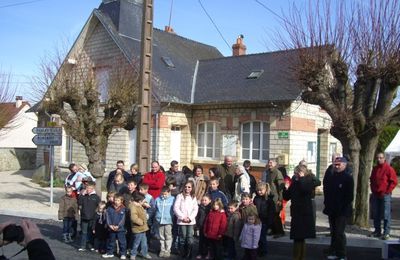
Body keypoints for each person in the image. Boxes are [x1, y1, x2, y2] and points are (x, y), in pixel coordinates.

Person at [323, 157, 354, 260]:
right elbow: (327, 192)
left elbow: (349, 196)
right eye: (335, 164)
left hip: (342, 210)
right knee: (333, 231)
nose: (336, 166)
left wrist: (342, 207)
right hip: (332, 209)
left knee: (339, 232)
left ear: (344, 165)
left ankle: (342, 254)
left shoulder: (348, 178)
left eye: (338, 164)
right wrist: (327, 204)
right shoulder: (331, 177)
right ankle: (334, 250)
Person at [283, 165, 316, 260]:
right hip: (296, 212)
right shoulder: (295, 183)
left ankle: (300, 257)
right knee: (298, 237)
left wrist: (301, 178)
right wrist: (286, 188)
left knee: (300, 237)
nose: (295, 175)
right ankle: (297, 257)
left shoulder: (308, 181)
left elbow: (305, 189)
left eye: (297, 173)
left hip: (304, 213)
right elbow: (286, 196)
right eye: (295, 173)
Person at [369, 152, 398, 240]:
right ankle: (377, 231)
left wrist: (387, 191)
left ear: (384, 158)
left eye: (381, 158)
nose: (379, 159)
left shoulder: (389, 169)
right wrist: (373, 190)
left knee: (386, 214)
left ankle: (386, 233)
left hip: (385, 195)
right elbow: (372, 180)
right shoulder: (375, 169)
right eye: (378, 158)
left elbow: (394, 181)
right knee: (376, 213)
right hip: (376, 194)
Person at [173, 180, 199, 259]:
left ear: (192, 188)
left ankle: (189, 253)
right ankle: (183, 253)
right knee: (182, 237)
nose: (187, 188)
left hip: (190, 221)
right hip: (182, 221)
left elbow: (195, 209)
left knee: (190, 238)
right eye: (186, 187)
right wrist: (182, 217)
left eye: (189, 187)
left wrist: (190, 218)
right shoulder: (180, 196)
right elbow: (176, 208)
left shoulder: (193, 197)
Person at [261, 159, 285, 237]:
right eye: (268, 162)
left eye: (271, 163)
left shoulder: (277, 172)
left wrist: (280, 199)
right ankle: (273, 230)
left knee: (275, 215)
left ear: (275, 164)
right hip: (268, 197)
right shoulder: (267, 172)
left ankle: (280, 232)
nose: (269, 164)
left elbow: (281, 187)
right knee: (270, 215)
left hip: (275, 197)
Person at [102, 193, 127, 259]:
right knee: (111, 241)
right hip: (111, 228)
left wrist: (118, 226)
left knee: (122, 242)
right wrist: (110, 225)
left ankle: (123, 254)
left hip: (120, 229)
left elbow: (123, 219)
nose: (116, 202)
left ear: (121, 201)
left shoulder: (123, 209)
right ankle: (110, 253)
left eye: (118, 200)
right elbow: (108, 217)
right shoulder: (110, 208)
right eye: (115, 200)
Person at [253, 182, 275, 257]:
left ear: (265, 190)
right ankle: (258, 250)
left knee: (262, 237)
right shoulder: (256, 198)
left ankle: (264, 251)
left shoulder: (269, 200)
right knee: (257, 237)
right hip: (257, 220)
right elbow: (253, 208)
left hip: (264, 221)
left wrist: (270, 222)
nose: (259, 192)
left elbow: (272, 212)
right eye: (258, 190)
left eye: (261, 190)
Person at [78, 181, 101, 252]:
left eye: (90, 188)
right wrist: (81, 195)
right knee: (84, 232)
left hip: (92, 218)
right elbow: (79, 203)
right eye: (87, 188)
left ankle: (91, 245)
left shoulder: (96, 197)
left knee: (91, 232)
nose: (88, 190)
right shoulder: (83, 196)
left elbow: (98, 206)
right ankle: (82, 246)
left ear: (93, 189)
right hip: (84, 217)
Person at [129, 193, 152, 260]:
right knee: (136, 242)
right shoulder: (133, 207)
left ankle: (144, 253)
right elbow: (134, 218)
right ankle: (133, 254)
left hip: (142, 228)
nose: (144, 202)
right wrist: (141, 222)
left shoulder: (139, 206)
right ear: (139, 201)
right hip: (138, 228)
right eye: (143, 201)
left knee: (144, 242)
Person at [155, 186, 175, 258]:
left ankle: (167, 250)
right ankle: (162, 249)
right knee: (161, 236)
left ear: (169, 193)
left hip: (168, 221)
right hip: (159, 220)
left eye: (165, 194)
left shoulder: (173, 199)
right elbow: (155, 208)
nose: (164, 195)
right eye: (162, 194)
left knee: (168, 236)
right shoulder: (157, 199)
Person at [195, 194, 212, 259]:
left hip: (208, 227)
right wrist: (196, 225)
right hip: (201, 226)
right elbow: (197, 217)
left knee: (208, 241)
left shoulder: (211, 208)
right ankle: (200, 253)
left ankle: (208, 253)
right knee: (201, 241)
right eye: (203, 200)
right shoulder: (200, 207)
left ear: (210, 201)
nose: (204, 201)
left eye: (205, 200)